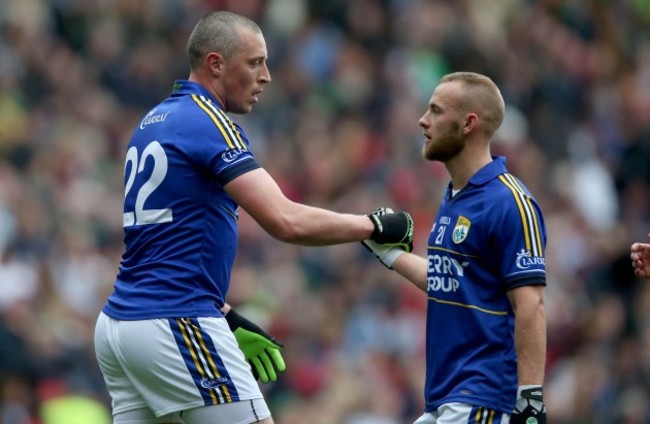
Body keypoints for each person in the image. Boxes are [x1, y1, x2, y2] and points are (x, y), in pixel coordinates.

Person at [93, 10, 413, 424]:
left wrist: (226, 315)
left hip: (120, 327)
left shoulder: (153, 121)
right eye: (255, 62)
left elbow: (164, 247)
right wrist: (373, 225)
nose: (267, 76)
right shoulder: (208, 120)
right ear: (215, 64)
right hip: (174, 320)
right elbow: (286, 221)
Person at [362, 72, 548, 424]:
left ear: (468, 123)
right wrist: (390, 254)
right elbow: (447, 280)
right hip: (447, 397)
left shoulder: (509, 201)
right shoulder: (453, 196)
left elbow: (531, 303)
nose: (423, 119)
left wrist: (530, 399)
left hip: (484, 398)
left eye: (436, 110)